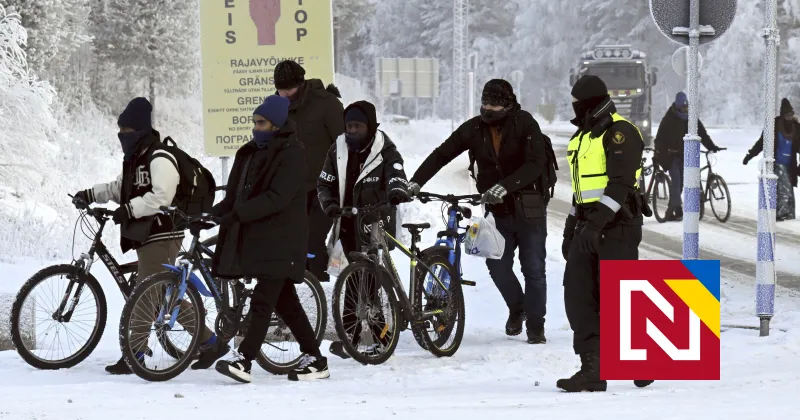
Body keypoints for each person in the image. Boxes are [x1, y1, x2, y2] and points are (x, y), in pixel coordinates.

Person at [72, 97, 215, 375]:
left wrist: (129, 209)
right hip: (147, 233)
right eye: (120, 131)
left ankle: (134, 355)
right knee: (159, 296)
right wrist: (90, 194)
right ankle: (210, 340)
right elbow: (119, 188)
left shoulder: (159, 156)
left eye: (125, 131)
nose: (121, 136)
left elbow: (163, 195)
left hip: (163, 231)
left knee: (145, 294)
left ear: (138, 130)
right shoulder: (135, 158)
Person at [408, 79, 548, 344]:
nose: (488, 109)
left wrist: (505, 186)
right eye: (485, 102)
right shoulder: (475, 128)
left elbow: (535, 163)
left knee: (533, 268)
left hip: (530, 208)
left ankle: (536, 327)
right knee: (497, 265)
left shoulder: (526, 123)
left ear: (507, 103)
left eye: (494, 103)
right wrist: (416, 181)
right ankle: (518, 308)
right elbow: (442, 154)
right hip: (499, 211)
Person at [211, 95, 329, 383]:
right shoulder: (248, 153)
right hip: (262, 240)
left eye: (261, 123)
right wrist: (215, 213)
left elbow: (277, 197)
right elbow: (236, 194)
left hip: (284, 239)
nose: (256, 128)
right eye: (254, 123)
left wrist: (238, 214)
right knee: (286, 303)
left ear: (276, 124)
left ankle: (245, 359)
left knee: (263, 301)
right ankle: (316, 360)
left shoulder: (292, 153)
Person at [557, 75, 652, 392]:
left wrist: (596, 224)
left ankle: (642, 360)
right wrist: (572, 228)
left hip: (618, 226)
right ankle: (592, 369)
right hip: (588, 226)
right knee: (578, 295)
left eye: (576, 102)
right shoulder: (582, 137)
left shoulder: (619, 132)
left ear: (590, 102)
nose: (573, 107)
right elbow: (581, 191)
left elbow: (620, 185)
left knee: (619, 297)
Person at [316, 100, 411, 358]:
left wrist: (397, 189)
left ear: (370, 126)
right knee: (354, 275)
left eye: (358, 126)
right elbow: (324, 183)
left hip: (377, 220)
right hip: (347, 220)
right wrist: (330, 205)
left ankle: (362, 334)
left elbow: (396, 171)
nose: (353, 131)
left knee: (369, 276)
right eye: (349, 126)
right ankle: (356, 334)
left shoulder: (384, 148)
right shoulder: (337, 149)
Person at [274, 60, 345, 282]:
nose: (284, 94)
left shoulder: (327, 104)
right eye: (280, 89)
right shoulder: (277, 106)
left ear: (301, 84)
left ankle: (318, 289)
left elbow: (343, 144)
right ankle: (301, 291)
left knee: (312, 239)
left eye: (289, 89)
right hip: (293, 189)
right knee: (292, 243)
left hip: (324, 188)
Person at [654, 91, 722, 222]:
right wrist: (658, 153)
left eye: (686, 107)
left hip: (686, 156)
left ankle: (670, 210)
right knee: (676, 182)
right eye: (682, 107)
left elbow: (702, 133)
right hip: (671, 155)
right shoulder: (669, 119)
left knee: (682, 184)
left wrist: (712, 147)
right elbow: (660, 138)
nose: (685, 110)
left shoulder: (691, 118)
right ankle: (678, 209)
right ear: (677, 106)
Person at [743, 98, 800, 221]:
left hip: (790, 165)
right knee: (784, 189)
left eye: (791, 114)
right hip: (776, 163)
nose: (789, 117)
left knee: (789, 189)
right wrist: (750, 155)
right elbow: (761, 143)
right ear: (782, 114)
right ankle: (780, 214)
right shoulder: (773, 126)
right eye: (786, 115)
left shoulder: (797, 128)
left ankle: (789, 214)